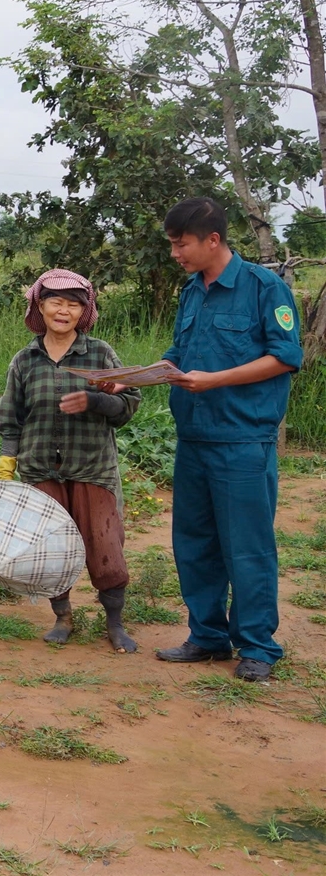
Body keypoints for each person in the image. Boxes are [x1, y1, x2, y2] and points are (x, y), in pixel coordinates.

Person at [152, 197, 302, 682]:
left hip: (242, 439)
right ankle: (208, 637)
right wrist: (135, 377)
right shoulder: (191, 292)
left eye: (182, 244)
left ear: (212, 240)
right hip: (194, 436)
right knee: (194, 542)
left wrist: (216, 380)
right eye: (173, 244)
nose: (176, 253)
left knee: (247, 546)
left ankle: (258, 646)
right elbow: (180, 351)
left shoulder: (264, 287)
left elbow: (285, 357)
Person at [0, 269, 141, 652]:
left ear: (84, 311)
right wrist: (7, 463)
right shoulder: (24, 360)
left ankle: (115, 624)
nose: (64, 310)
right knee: (51, 548)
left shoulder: (100, 353)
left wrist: (94, 400)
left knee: (104, 545)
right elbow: (11, 419)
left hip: (92, 467)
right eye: (56, 302)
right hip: (40, 469)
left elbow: (127, 406)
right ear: (39, 306)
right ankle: (63, 617)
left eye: (74, 304)